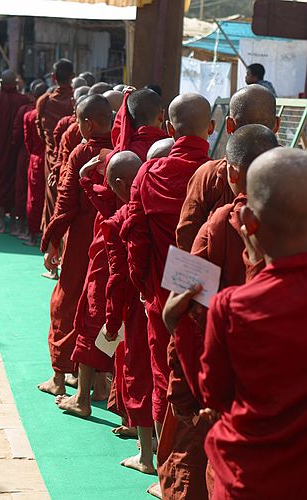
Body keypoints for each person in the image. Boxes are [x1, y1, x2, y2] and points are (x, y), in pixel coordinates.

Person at [160, 124, 278, 500]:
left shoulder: (222, 222)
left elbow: (185, 307)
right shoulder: (292, 221)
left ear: (231, 172)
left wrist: (181, 389)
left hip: (225, 384)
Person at [198, 147, 307, 499]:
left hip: (251, 479)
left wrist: (175, 322)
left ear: (249, 223)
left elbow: (214, 395)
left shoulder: (233, 307)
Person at [121, 93, 214, 496]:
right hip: (217, 302)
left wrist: (146, 289)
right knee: (210, 385)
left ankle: (166, 474)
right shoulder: (220, 174)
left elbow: (136, 238)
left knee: (166, 380)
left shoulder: (150, 173)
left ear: (170, 128)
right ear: (211, 128)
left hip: (164, 296)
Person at [55, 88, 167, 418]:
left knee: (95, 314)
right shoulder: (167, 153)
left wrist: (86, 182)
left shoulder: (121, 154)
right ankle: (130, 409)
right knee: (143, 331)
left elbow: (113, 203)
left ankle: (84, 398)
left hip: (116, 245)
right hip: (161, 259)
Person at [38, 95, 113, 396]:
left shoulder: (82, 152)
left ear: (86, 123)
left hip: (83, 236)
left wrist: (52, 242)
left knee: (66, 302)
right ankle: (97, 379)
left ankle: (59, 377)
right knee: (102, 303)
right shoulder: (123, 150)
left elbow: (65, 204)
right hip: (111, 237)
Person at [101, 151, 156, 475]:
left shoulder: (123, 218)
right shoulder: (179, 194)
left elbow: (120, 276)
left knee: (142, 373)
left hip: (142, 301)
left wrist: (111, 321)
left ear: (121, 185)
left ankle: (148, 457)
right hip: (181, 295)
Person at [176, 84, 280, 252]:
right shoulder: (294, 173)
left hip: (218, 276)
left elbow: (186, 235)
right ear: (277, 124)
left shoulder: (208, 174)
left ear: (229, 125)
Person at [0, 70, 30, 233]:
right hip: (18, 149)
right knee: (17, 184)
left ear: (2, 84)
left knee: (0, 180)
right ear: (16, 85)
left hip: (0, 147)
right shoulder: (24, 100)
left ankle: (1, 222)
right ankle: (15, 224)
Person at [36, 58, 74, 233]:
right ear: (73, 76)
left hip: (52, 155)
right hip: (72, 159)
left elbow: (41, 132)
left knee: (52, 196)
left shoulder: (44, 101)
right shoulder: (77, 101)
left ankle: (49, 237)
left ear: (53, 77)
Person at [12, 81, 40, 237]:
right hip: (44, 155)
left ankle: (21, 226)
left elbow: (19, 136)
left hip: (27, 154)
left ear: (31, 94)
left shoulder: (27, 112)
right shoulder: (47, 111)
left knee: (23, 191)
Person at [23, 82, 48, 246]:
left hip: (37, 159)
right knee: (49, 198)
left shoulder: (30, 115)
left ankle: (32, 235)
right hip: (52, 158)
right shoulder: (55, 114)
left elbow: (28, 142)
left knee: (34, 197)